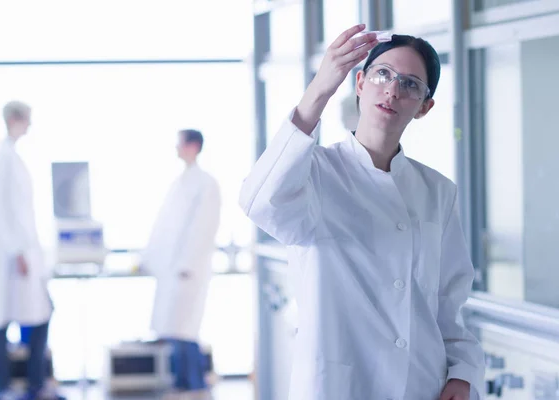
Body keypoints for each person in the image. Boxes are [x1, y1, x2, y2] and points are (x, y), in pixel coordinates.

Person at [239, 25, 485, 400]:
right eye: (382, 74)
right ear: (359, 83)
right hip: (340, 385)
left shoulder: (438, 192)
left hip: (421, 384)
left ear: (425, 107)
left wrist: (462, 374)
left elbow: (448, 304)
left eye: (410, 84)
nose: (392, 90)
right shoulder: (314, 173)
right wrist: (320, 87)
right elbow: (259, 202)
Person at [0, 101, 63, 400]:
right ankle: (5, 386)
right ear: (14, 119)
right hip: (11, 256)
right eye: (27, 119)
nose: (29, 125)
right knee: (2, 320)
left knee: (37, 313)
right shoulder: (1, 159)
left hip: (21, 253)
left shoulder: (11, 157)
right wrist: (17, 251)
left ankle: (34, 383)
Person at [142, 129, 221, 391]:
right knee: (176, 330)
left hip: (189, 269)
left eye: (180, 144)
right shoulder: (181, 181)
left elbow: (202, 228)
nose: (176, 148)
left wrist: (187, 264)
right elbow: (166, 226)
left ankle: (195, 385)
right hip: (172, 268)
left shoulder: (206, 183)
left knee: (187, 330)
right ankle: (183, 384)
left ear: (193, 146)